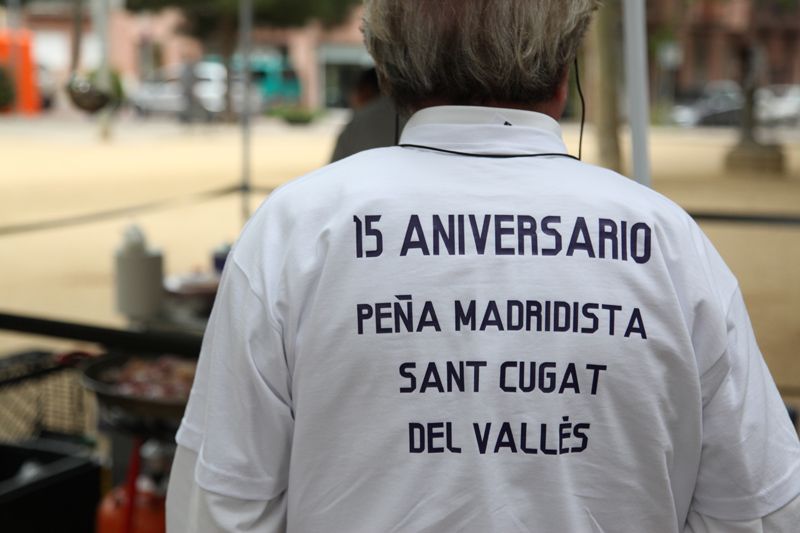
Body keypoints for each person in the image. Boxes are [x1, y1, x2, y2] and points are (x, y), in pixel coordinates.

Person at [166, 1, 800, 531]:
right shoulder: (668, 244)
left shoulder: (294, 230)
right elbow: (763, 509)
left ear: (388, 73)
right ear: (563, 75)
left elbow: (218, 509)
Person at [330, 67, 403, 162]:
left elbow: (335, 168)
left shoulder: (358, 124)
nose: (352, 98)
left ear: (366, 90)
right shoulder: (409, 113)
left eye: (356, 91)